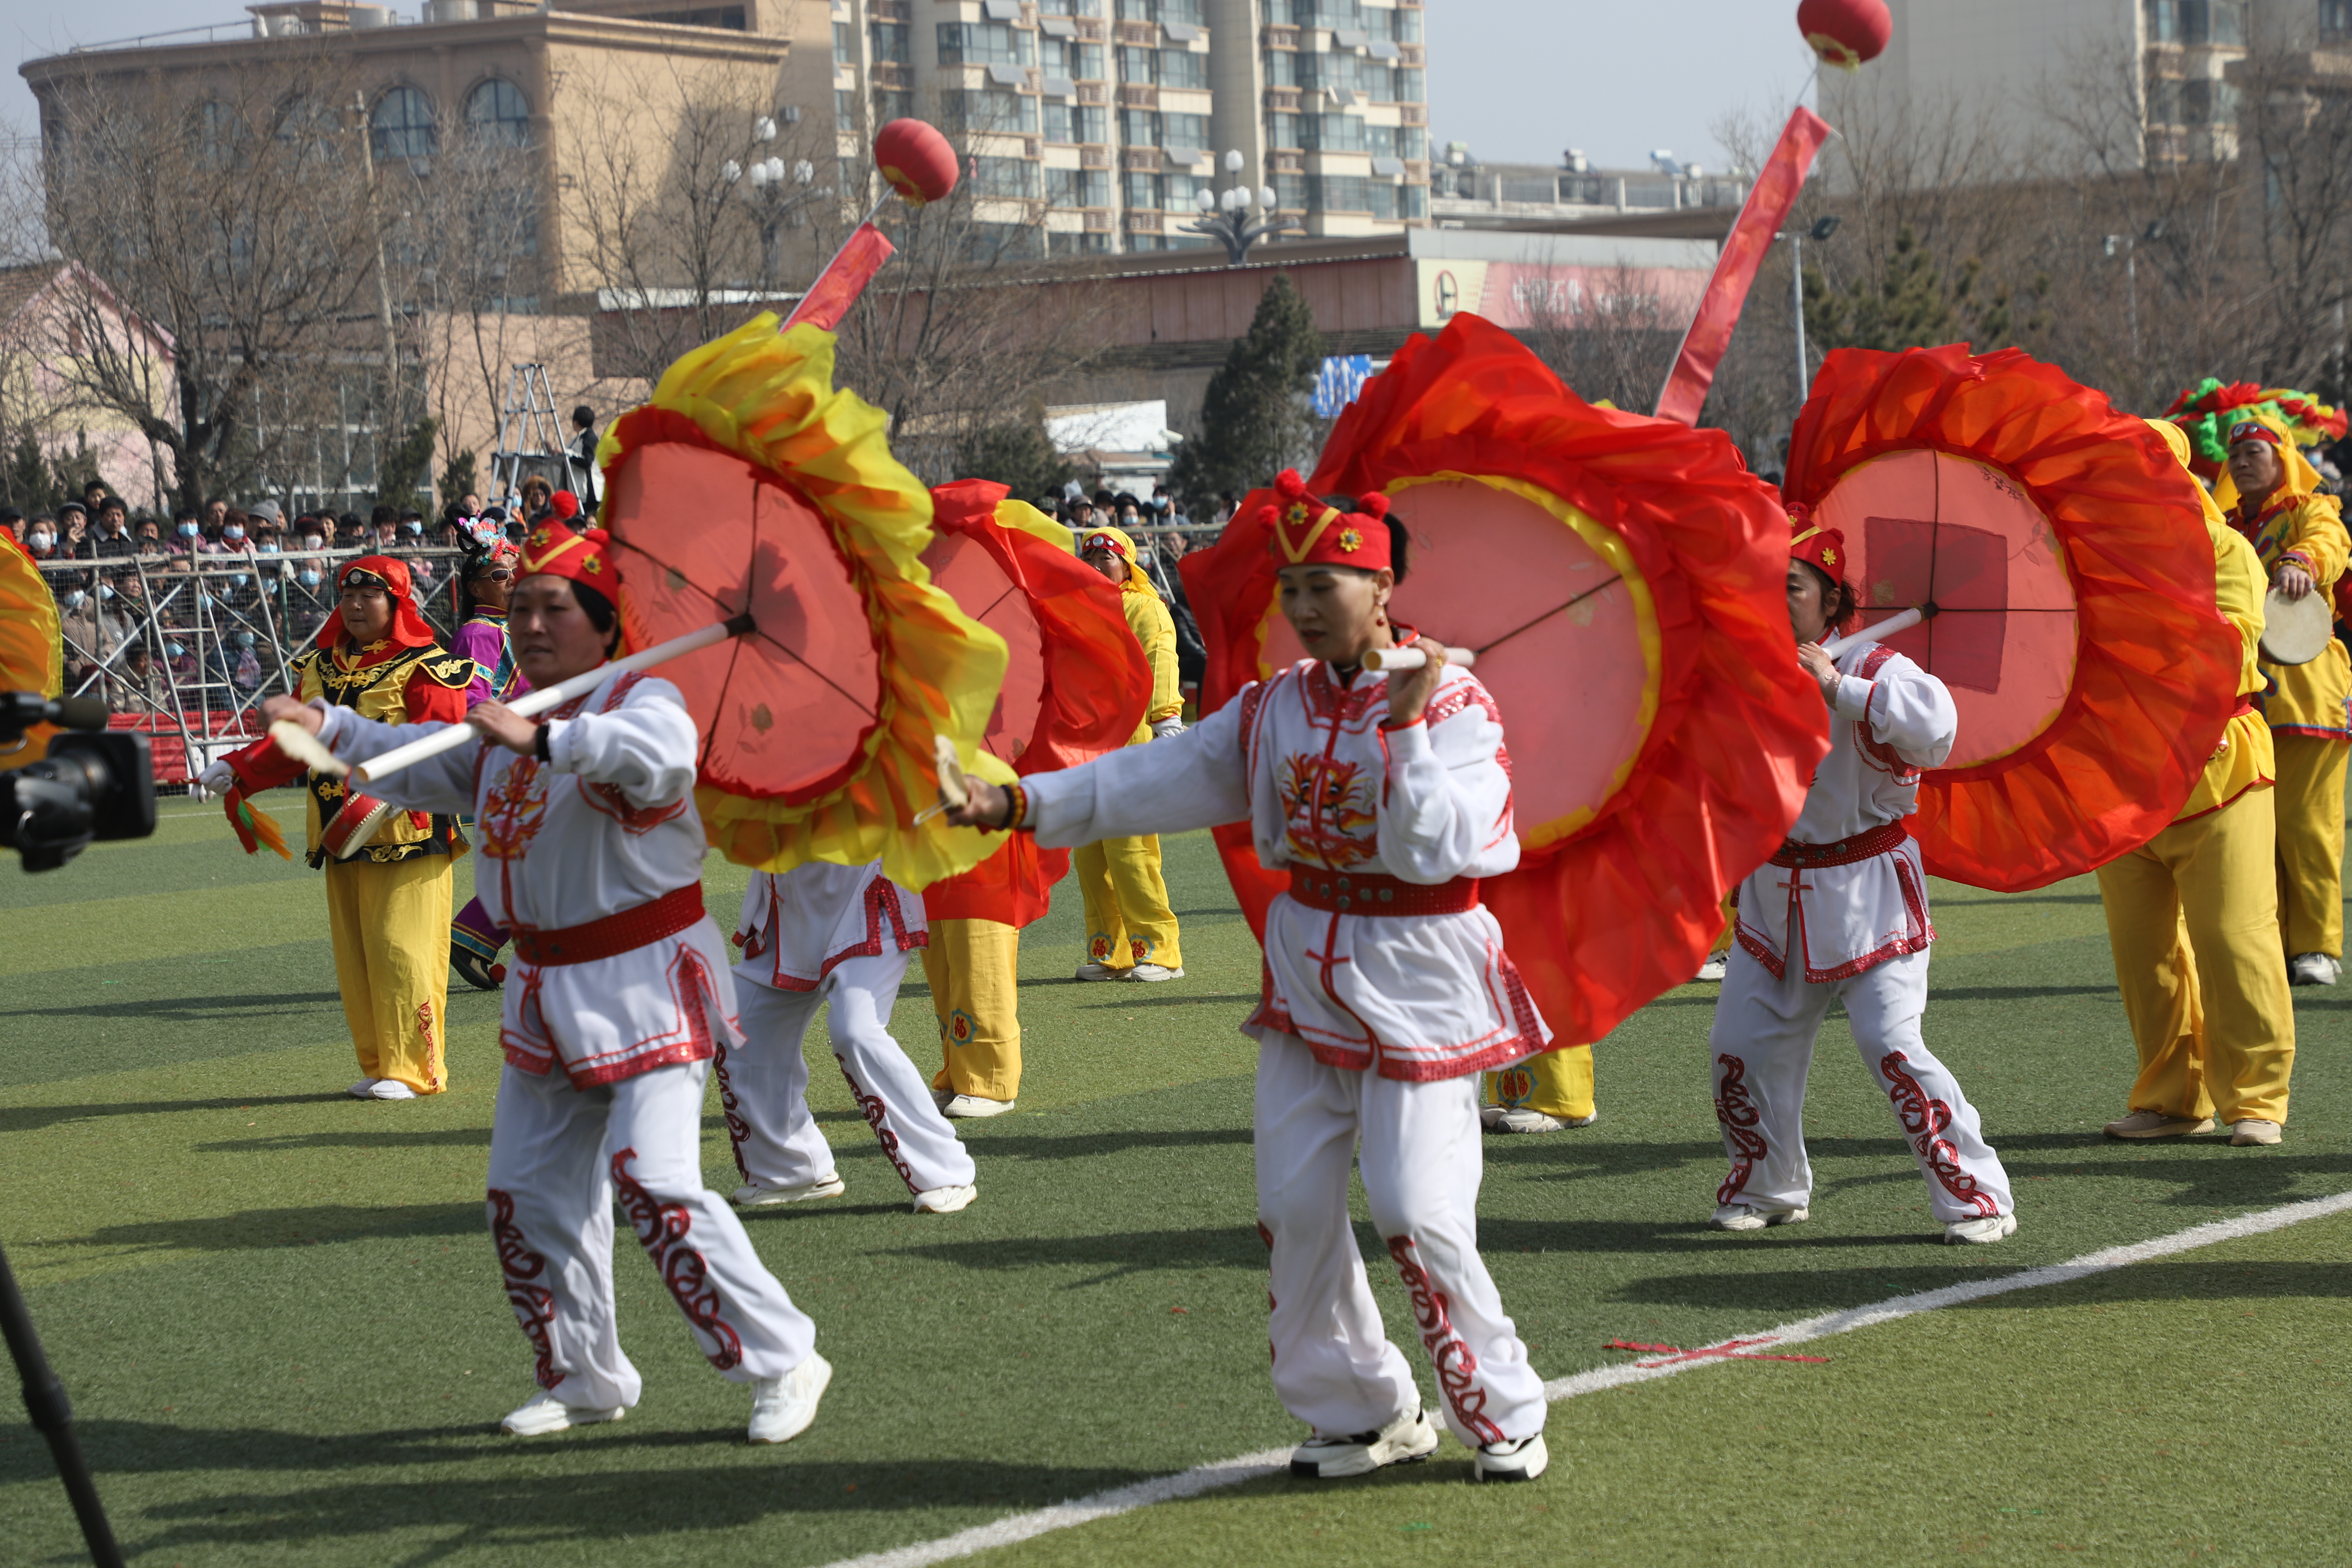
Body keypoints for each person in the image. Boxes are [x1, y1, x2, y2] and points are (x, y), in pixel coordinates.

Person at [944, 477, 1553, 1484]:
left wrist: (1405, 732)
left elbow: (1446, 850)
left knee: (1418, 1210)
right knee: (1294, 1206)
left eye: (1325, 586)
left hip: (1421, 980)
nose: (1302, 607)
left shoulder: (1455, 702)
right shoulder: (1277, 706)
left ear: (1383, 585)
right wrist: (1018, 803)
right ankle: (1362, 1409)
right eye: (1291, 588)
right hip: (1307, 980)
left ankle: (1502, 1411)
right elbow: (1156, 775)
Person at [260, 516, 833, 1444]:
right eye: (518, 605)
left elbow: (661, 762)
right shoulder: (513, 717)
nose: (529, 623)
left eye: (553, 607)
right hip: (543, 989)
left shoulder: (649, 697)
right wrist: (328, 724)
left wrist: (545, 741)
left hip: (646, 978)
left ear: (606, 624)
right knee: (526, 1194)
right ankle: (583, 1374)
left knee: (655, 1182)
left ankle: (782, 1356)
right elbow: (426, 763)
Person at [1707, 510, 2016, 1245]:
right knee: (1740, 1048)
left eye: (1790, 586)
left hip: (1868, 893)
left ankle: (1977, 1196)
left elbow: (1938, 731)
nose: (1773, 599)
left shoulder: (1880, 668)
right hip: (1773, 896)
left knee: (1892, 1047)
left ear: (1831, 599)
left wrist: (1837, 686)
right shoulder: (1741, 669)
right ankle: (1770, 1186)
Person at [199, 555, 474, 1101]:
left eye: (369, 596)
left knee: (402, 948)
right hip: (340, 829)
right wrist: (239, 767)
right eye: (347, 596)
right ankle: (379, 1062)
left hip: (408, 830)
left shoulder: (428, 665)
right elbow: (294, 742)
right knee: (358, 954)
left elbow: (446, 744)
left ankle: (416, 1069)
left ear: (397, 602)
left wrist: (399, 790)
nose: (355, 606)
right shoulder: (320, 666)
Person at [2098, 422, 2298, 1147]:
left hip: (2219, 768)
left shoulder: (2225, 550)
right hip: (2123, 777)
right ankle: (2173, 1099)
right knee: (2142, 952)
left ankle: (2257, 1099)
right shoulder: (2089, 558)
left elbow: (2235, 648)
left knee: (2233, 937)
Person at [725, 860, 979, 1211]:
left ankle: (945, 1173)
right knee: (741, 1026)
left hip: (866, 894)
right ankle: (790, 1170)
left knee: (856, 1031)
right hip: (788, 899)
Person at [2213, 412, 2352, 986]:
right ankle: (2273, 945)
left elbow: (2331, 542)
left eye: (2256, 453)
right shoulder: (2223, 525)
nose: (2243, 463)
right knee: (2256, 832)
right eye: (2236, 455)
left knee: (2307, 826)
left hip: (2307, 698)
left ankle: (2318, 946)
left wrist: (2301, 562)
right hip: (2241, 704)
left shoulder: (2309, 509)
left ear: (2283, 457)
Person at [1070, 523, 1186, 982]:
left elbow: (1161, 659)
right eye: (1090, 558)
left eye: (1107, 558)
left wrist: (1166, 718)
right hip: (1083, 743)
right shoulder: (1074, 607)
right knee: (1090, 855)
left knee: (1132, 850)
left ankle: (1160, 951)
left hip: (1129, 739)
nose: (1097, 566)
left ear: (1127, 564)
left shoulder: (1144, 607)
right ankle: (1111, 951)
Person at [446, 530, 531, 991]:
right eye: (501, 574)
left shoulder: (519, 628)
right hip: (508, 758)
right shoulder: (481, 632)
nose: (513, 579)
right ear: (476, 587)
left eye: (518, 570)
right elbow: (471, 698)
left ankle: (477, 938)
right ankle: (471, 935)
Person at [568, 405, 601, 508]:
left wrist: (568, 455)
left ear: (576, 422)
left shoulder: (590, 438)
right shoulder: (578, 439)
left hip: (589, 492)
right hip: (579, 489)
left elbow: (587, 462)